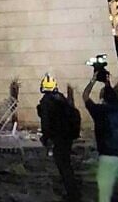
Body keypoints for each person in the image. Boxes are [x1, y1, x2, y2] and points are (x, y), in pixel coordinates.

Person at [83, 70, 118, 202]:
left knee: (105, 193)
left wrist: (93, 80)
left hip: (107, 155)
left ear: (102, 98)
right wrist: (107, 82)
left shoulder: (99, 111)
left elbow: (85, 96)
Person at [37, 74, 81, 202]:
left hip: (58, 137)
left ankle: (72, 194)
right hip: (67, 136)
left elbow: (46, 123)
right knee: (66, 164)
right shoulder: (61, 98)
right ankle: (72, 191)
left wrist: (46, 138)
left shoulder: (46, 102)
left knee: (64, 166)